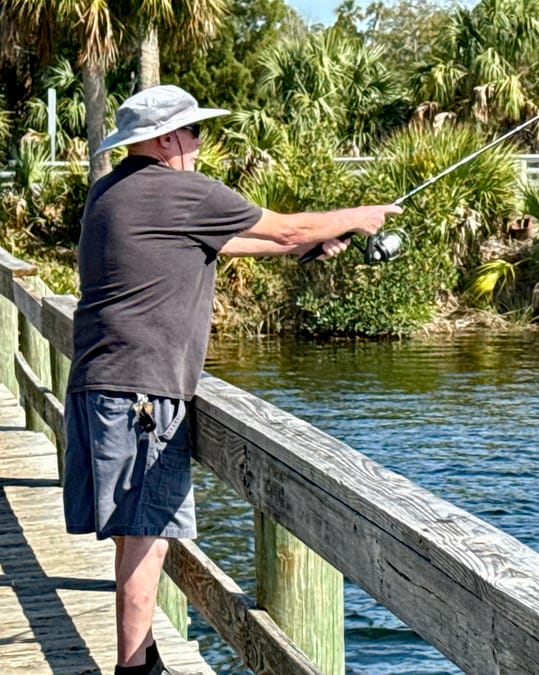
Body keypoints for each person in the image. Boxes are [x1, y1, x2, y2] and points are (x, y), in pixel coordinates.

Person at [62, 84, 401, 675]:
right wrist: (359, 217)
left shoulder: (110, 192)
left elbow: (227, 244)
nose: (198, 143)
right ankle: (133, 669)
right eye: (194, 132)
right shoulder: (179, 188)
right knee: (146, 534)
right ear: (167, 139)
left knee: (134, 532)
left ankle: (142, 658)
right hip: (144, 390)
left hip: (100, 380)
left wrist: (320, 240)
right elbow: (286, 229)